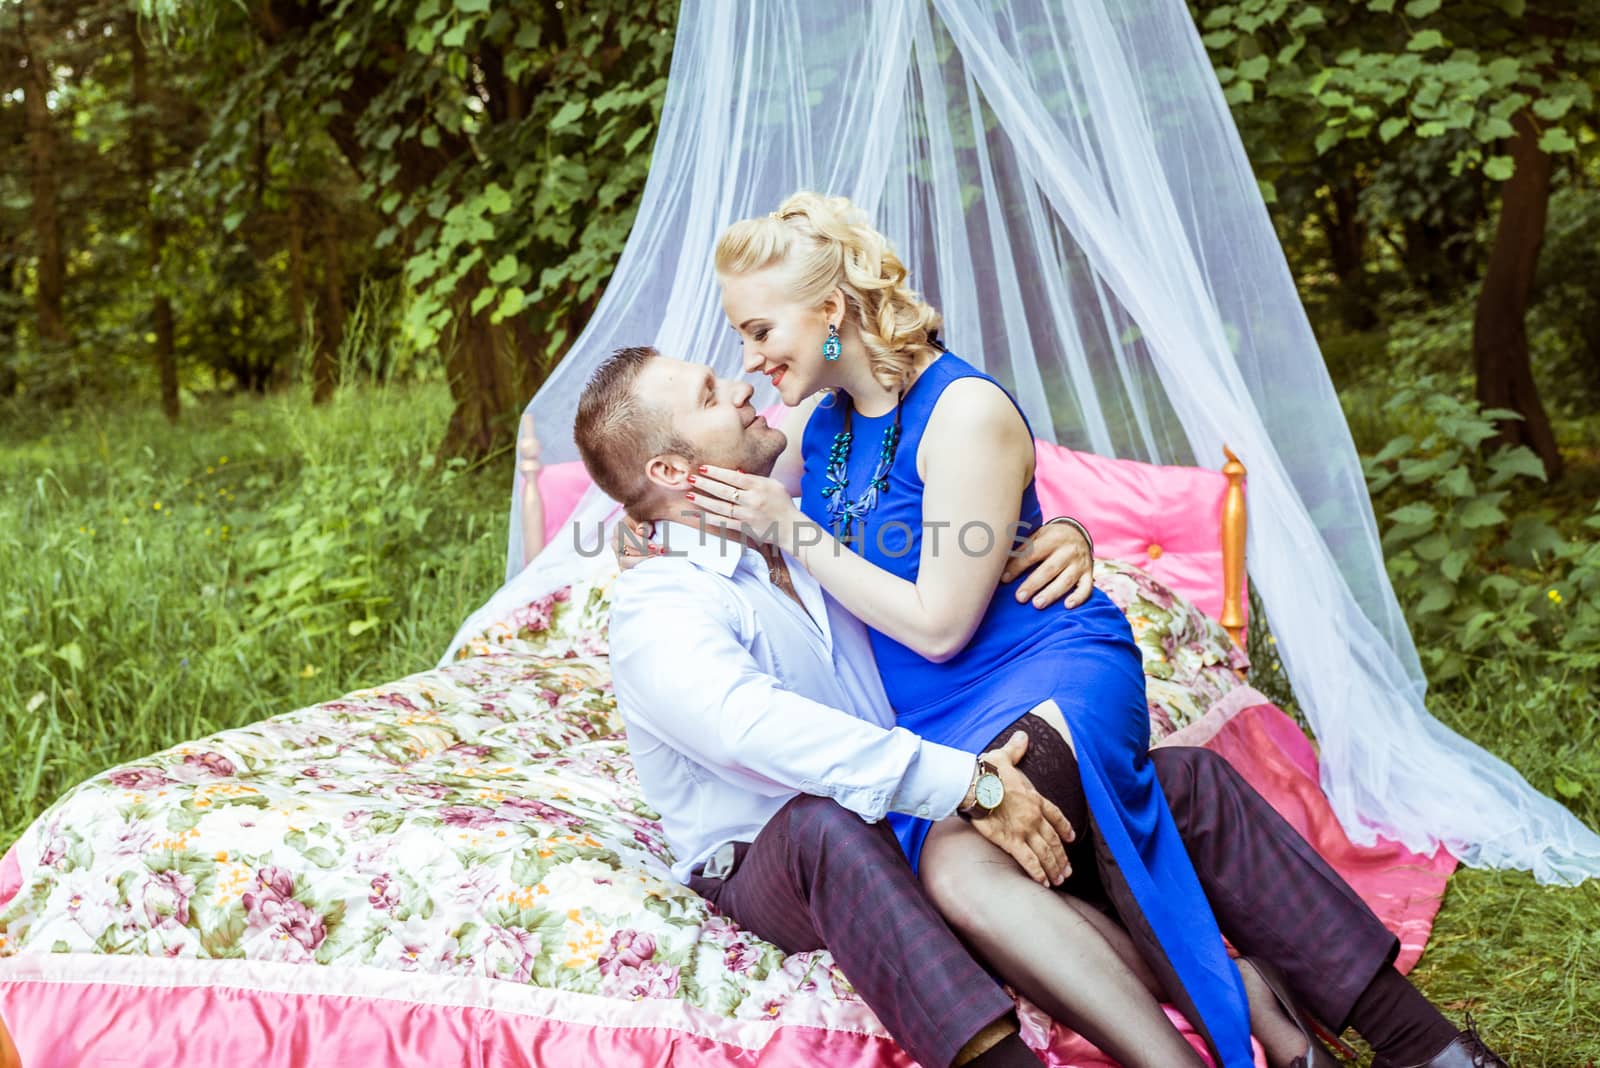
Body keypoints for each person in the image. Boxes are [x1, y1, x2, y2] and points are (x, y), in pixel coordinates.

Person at [580, 346, 1505, 1068]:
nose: (743, 388)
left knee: (1175, 779)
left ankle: (1425, 1043)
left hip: (902, 807)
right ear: (669, 471)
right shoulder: (661, 602)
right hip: (780, 853)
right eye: (710, 394)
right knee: (832, 832)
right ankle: (1225, 1009)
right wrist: (971, 786)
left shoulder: (802, 511)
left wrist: (1059, 531)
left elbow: (957, 538)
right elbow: (755, 730)